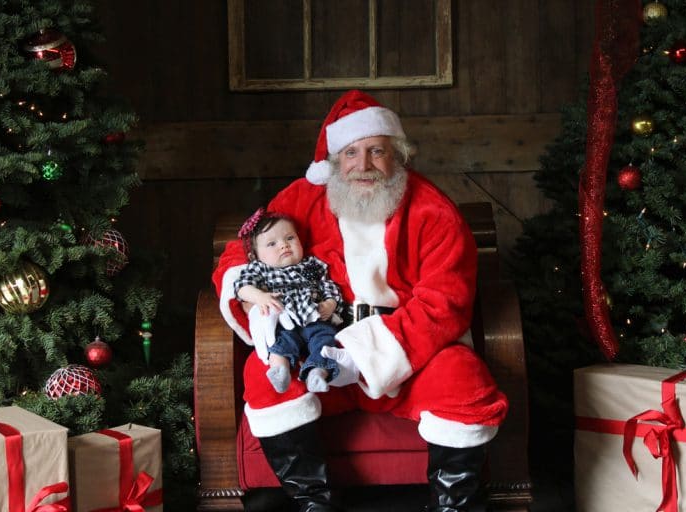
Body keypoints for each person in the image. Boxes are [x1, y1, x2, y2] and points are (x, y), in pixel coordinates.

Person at [213, 89, 508, 512]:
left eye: (376, 151)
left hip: (409, 353)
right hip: (320, 348)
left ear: (399, 155)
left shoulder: (433, 210)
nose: (363, 165)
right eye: (351, 153)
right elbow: (237, 254)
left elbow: (445, 304)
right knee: (264, 375)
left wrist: (364, 351)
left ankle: (453, 507)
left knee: (464, 379)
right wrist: (248, 293)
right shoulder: (301, 199)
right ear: (335, 160)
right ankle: (314, 504)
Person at [234, 208, 344, 394]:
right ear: (255, 256)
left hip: (314, 315)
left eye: (290, 238)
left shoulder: (313, 264)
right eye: (271, 243)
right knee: (281, 341)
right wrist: (260, 297)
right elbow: (242, 287)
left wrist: (330, 304)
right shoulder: (260, 269)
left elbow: (329, 286)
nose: (284, 245)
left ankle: (317, 372)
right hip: (285, 317)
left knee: (325, 339)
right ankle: (279, 370)